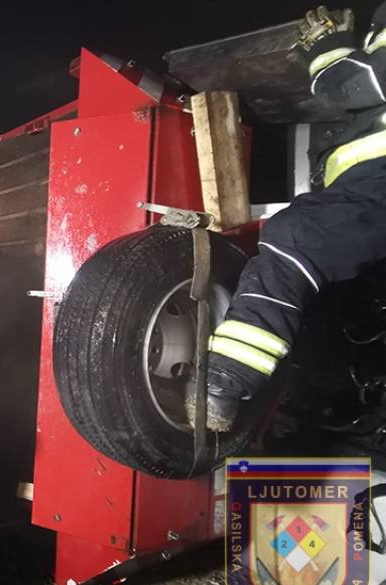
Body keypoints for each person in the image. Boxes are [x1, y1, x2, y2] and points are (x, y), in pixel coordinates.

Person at [197, 4, 386, 432]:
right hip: (367, 182)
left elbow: (361, 83)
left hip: (377, 179)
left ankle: (225, 381)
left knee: (297, 241)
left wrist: (327, 47)